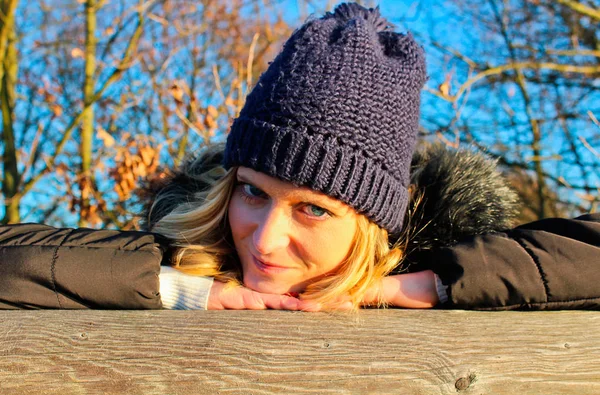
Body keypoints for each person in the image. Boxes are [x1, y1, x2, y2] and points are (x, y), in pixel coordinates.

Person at [0, 3, 598, 311]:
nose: (262, 240)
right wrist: (187, 293)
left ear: (371, 222)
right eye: (253, 192)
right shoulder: (191, 265)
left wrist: (432, 287)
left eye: (311, 209)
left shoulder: (435, 270)